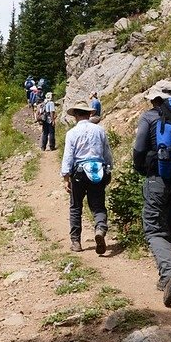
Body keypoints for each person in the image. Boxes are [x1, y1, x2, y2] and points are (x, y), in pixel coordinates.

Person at [132, 79, 171, 307]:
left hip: (158, 178)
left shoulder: (149, 117)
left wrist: (141, 167)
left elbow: (139, 148)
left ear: (155, 99)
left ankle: (170, 272)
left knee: (154, 229)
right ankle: (167, 276)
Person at [61, 101, 113, 255]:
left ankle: (76, 242)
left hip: (79, 172)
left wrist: (65, 177)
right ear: (90, 114)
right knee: (98, 204)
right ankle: (100, 229)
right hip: (98, 170)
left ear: (75, 115)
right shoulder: (99, 130)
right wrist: (109, 170)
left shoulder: (71, 133)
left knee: (76, 206)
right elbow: (107, 153)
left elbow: (68, 156)